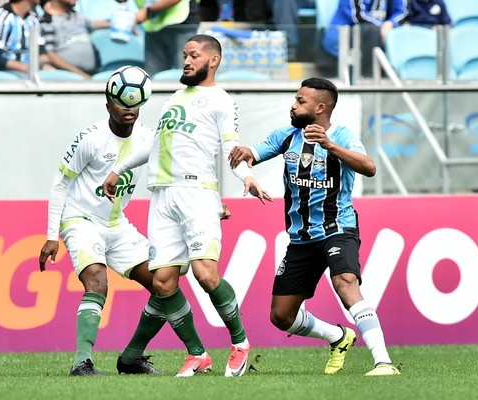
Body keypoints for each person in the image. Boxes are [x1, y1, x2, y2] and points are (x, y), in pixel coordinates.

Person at [103, 34, 272, 378]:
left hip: (196, 194)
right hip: (162, 196)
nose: (186, 61)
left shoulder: (221, 100)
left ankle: (239, 342)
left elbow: (232, 146)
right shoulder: (175, 97)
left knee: (205, 274)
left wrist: (246, 176)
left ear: (213, 60)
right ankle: (198, 354)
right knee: (163, 283)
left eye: (193, 55)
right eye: (184, 55)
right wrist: (117, 169)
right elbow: (154, 143)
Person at [228, 77, 401, 377]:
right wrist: (245, 165)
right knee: (281, 316)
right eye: (295, 100)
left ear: (320, 108)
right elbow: (250, 155)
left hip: (338, 229)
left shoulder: (342, 136)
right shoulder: (286, 136)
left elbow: (369, 167)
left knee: (346, 283)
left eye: (300, 101)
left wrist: (330, 146)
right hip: (301, 239)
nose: (293, 106)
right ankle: (338, 336)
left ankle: (383, 362)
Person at [38, 88, 165, 377]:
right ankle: (81, 362)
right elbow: (60, 184)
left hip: (117, 224)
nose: (128, 108)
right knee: (97, 283)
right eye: (121, 103)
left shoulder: (147, 138)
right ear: (108, 104)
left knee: (164, 283)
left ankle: (131, 359)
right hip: (80, 219)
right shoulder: (90, 138)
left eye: (134, 103)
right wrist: (50, 235)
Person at [320, 0, 408, 77]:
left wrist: (391, 23)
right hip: (342, 37)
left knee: (404, 30)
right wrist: (383, 28)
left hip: (378, 35)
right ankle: (367, 79)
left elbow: (402, 11)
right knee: (372, 31)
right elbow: (358, 16)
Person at [0, 0, 54, 75]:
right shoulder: (1, 16)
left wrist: (45, 65)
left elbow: (41, 51)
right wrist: (28, 69)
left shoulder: (33, 19)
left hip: (25, 73)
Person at [39, 0, 109, 79]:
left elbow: (92, 23)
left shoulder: (76, 15)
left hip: (92, 72)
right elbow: (50, 55)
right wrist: (82, 75)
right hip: (69, 76)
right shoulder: (46, 22)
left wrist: (116, 23)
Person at [133, 0, 200, 76]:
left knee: (185, 74)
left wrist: (148, 11)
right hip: (153, 26)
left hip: (181, 25)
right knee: (154, 78)